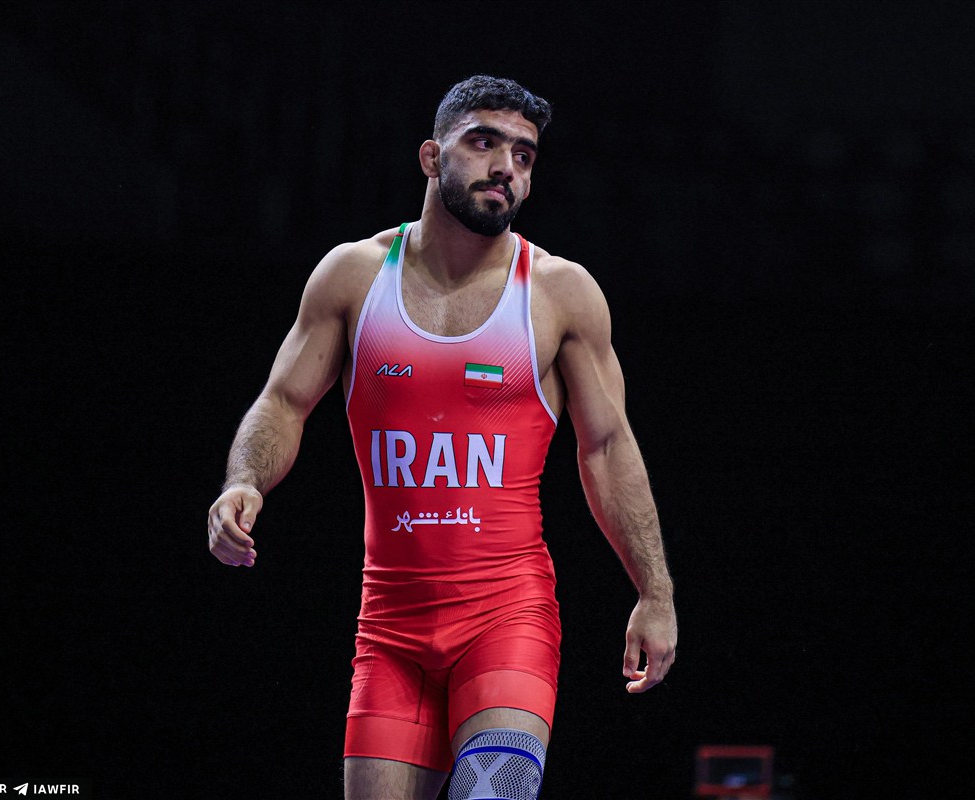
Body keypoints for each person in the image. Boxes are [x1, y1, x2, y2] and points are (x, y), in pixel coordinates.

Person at [207, 75, 677, 800]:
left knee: (495, 792)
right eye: (484, 143)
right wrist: (244, 480)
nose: (505, 167)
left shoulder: (559, 293)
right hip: (389, 629)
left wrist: (655, 591)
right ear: (431, 157)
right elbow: (283, 403)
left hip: (506, 616)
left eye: (523, 155)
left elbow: (607, 447)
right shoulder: (354, 277)